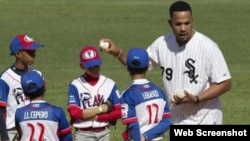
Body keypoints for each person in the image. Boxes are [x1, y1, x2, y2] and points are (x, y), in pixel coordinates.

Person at [100, 0, 231, 125]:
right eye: (178, 24)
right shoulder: (162, 44)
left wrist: (197, 99)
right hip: (175, 121)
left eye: (187, 23)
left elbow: (225, 83)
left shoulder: (208, 48)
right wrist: (117, 52)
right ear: (170, 23)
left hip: (205, 121)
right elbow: (138, 65)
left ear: (192, 21)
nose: (183, 28)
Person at [67, 46, 122, 141]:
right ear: (82, 66)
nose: (94, 69)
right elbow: (74, 113)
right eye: (90, 66)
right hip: (83, 134)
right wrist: (101, 109)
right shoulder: (75, 85)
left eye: (96, 65)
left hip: (104, 133)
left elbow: (119, 112)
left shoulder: (110, 84)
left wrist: (96, 117)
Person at [120, 48, 171, 141]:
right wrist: (147, 136)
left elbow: (133, 124)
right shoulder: (159, 91)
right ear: (148, 67)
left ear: (127, 67)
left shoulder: (127, 95)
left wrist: (140, 138)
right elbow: (167, 121)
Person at [0, 34, 44, 141]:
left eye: (33, 50)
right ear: (18, 54)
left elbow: (41, 104)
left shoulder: (37, 75)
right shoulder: (5, 78)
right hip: (12, 131)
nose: (33, 54)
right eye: (29, 51)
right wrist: (5, 137)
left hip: (34, 128)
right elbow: (1, 111)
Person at [15, 70, 73, 141]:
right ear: (45, 86)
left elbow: (20, 134)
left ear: (24, 93)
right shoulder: (57, 112)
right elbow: (67, 137)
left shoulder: (19, 113)